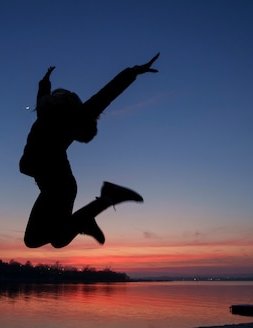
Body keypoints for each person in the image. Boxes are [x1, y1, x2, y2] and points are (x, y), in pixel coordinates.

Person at [20, 53, 160, 248]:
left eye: (59, 97)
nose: (53, 99)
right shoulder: (45, 116)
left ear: (67, 103)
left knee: (42, 239)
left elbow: (104, 96)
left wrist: (132, 72)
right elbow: (42, 98)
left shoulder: (67, 121)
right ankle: (91, 214)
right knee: (50, 238)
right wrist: (44, 82)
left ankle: (105, 200)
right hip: (55, 187)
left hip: (59, 188)